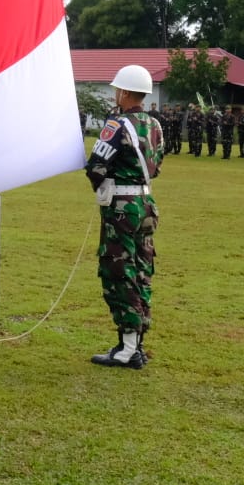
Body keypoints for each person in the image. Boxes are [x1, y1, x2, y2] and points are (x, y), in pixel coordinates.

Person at [82, 64, 163, 371]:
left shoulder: (116, 125)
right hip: (145, 203)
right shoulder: (154, 125)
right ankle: (136, 343)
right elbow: (156, 166)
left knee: (119, 271)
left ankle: (127, 348)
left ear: (124, 92)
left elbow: (96, 166)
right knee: (142, 270)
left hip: (121, 206)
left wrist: (101, 185)